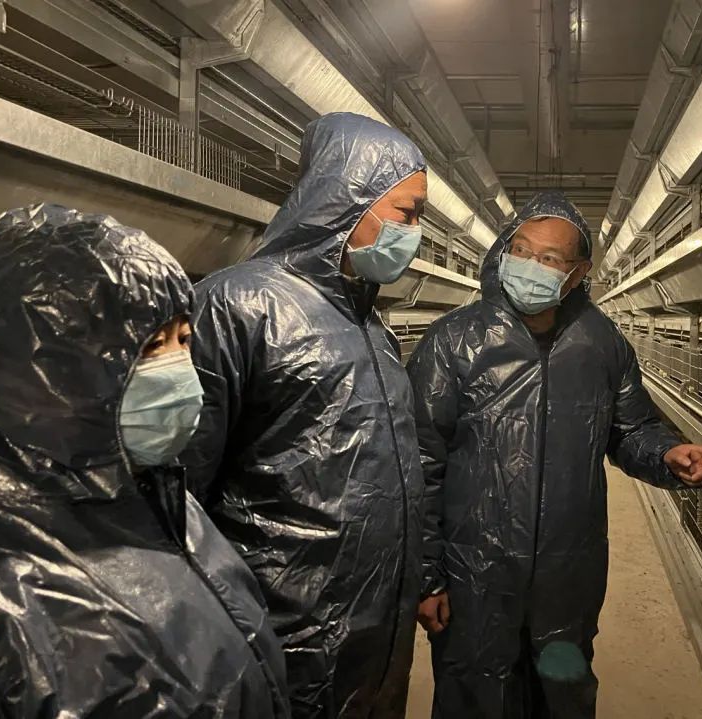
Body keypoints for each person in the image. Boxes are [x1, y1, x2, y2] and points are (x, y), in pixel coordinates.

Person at [0, 204, 290, 718]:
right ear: (55, 367)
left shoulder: (154, 491)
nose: (181, 371)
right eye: (151, 346)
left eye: (183, 339)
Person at [406, 190, 702, 718]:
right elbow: (419, 463)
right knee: (475, 695)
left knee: (562, 693)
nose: (529, 265)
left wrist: (666, 453)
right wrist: (427, 576)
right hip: (476, 574)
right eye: (521, 250)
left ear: (577, 274)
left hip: (568, 577)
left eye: (549, 258)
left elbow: (632, 428)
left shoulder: (601, 343)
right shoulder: (454, 342)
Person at [182, 112, 427, 718]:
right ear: (347, 199)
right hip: (282, 634)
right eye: (407, 213)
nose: (415, 234)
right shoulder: (237, 305)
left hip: (377, 636)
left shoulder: (372, 328)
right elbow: (177, 489)